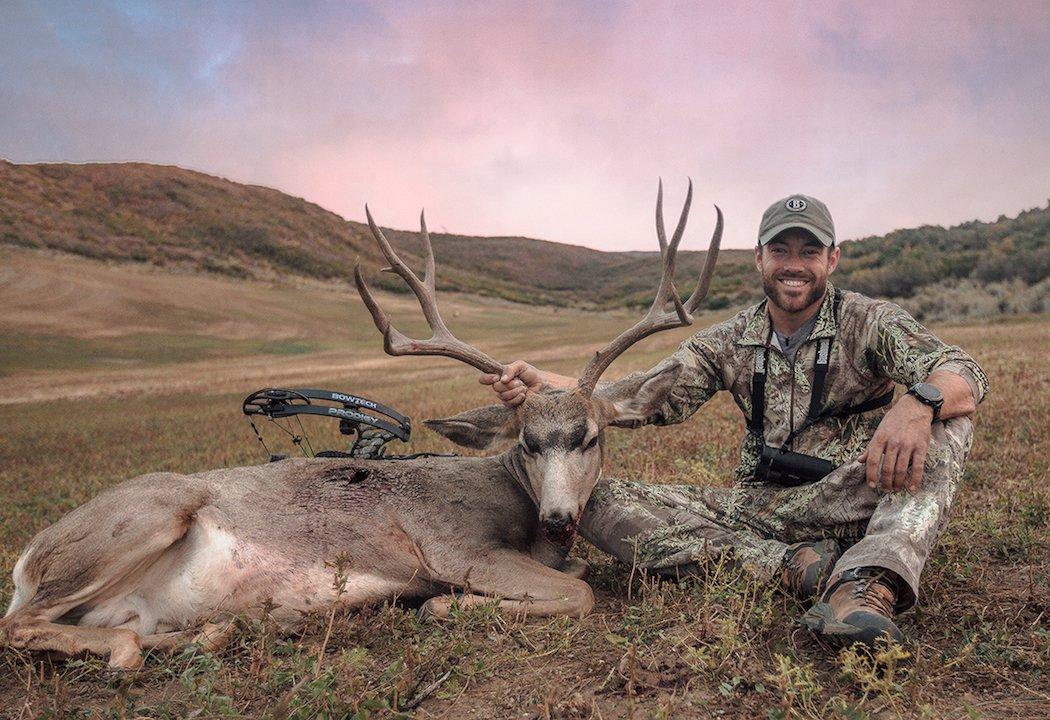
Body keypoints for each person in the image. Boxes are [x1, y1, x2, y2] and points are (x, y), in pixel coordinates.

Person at [480, 194, 988, 648]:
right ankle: (794, 568)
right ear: (759, 258)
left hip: (861, 490)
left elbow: (964, 372)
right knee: (598, 499)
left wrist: (918, 402)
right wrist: (541, 382)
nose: (794, 265)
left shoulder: (870, 321)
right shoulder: (729, 339)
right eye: (780, 251)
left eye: (809, 251)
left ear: (832, 258)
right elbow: (642, 395)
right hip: (764, 506)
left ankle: (866, 585)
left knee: (949, 422)